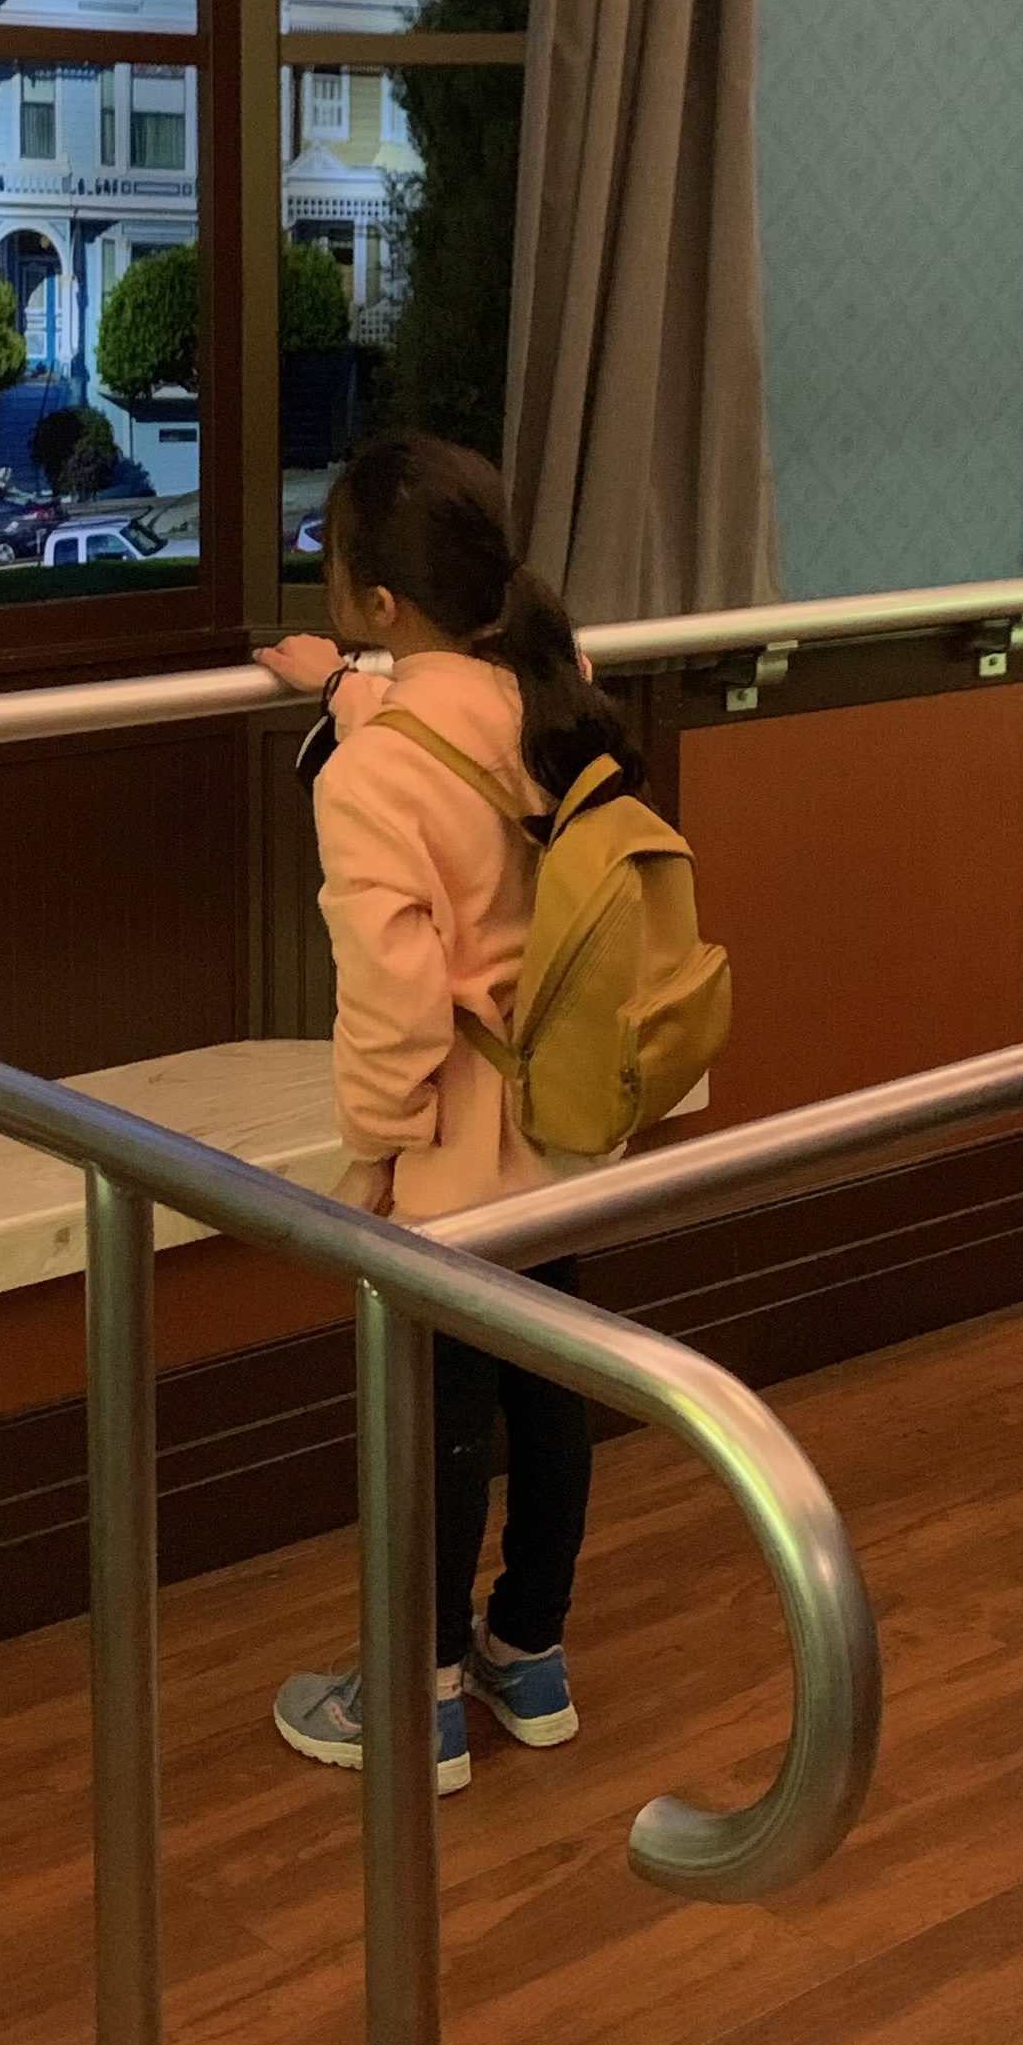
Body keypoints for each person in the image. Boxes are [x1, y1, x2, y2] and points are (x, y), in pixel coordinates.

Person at [254, 433, 641, 1795]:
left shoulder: (373, 778)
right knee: (548, 1396)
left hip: (455, 1147)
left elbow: (397, 1007)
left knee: (433, 1421)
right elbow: (443, 724)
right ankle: (526, 1658)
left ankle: (412, 1702)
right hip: (570, 1117)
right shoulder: (558, 685)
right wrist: (356, 688)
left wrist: (373, 1151)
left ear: (372, 603)